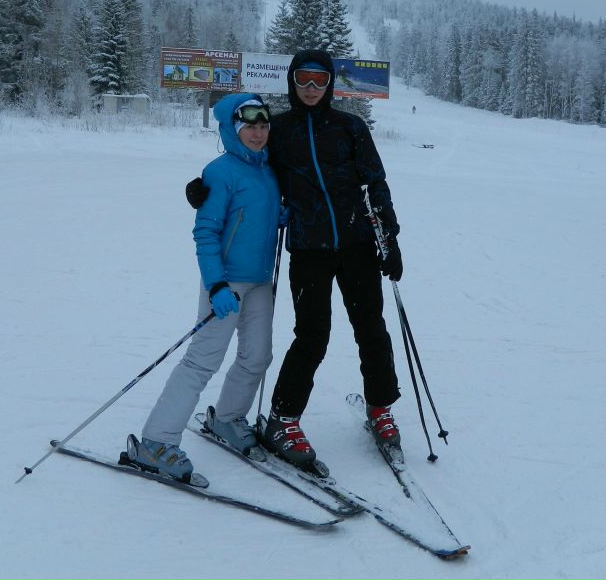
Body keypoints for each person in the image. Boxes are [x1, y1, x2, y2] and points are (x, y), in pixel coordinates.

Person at [188, 50, 405, 470]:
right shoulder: (279, 129)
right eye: (302, 79)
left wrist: (390, 240)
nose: (310, 88)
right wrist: (203, 188)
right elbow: (248, 165)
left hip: (357, 245)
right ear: (291, 82)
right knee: (312, 335)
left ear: (329, 85)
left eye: (318, 80)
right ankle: (284, 417)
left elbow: (375, 183)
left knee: (371, 330)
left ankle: (380, 407)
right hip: (308, 250)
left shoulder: (350, 127)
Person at [127, 93, 281, 486]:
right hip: (226, 282)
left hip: (261, 280)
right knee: (203, 359)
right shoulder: (219, 171)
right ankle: (156, 440)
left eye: (264, 126)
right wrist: (215, 284)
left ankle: (228, 417)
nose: (258, 133)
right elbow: (206, 232)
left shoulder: (269, 170)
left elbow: (266, 214)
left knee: (258, 356)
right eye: (250, 127)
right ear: (232, 128)